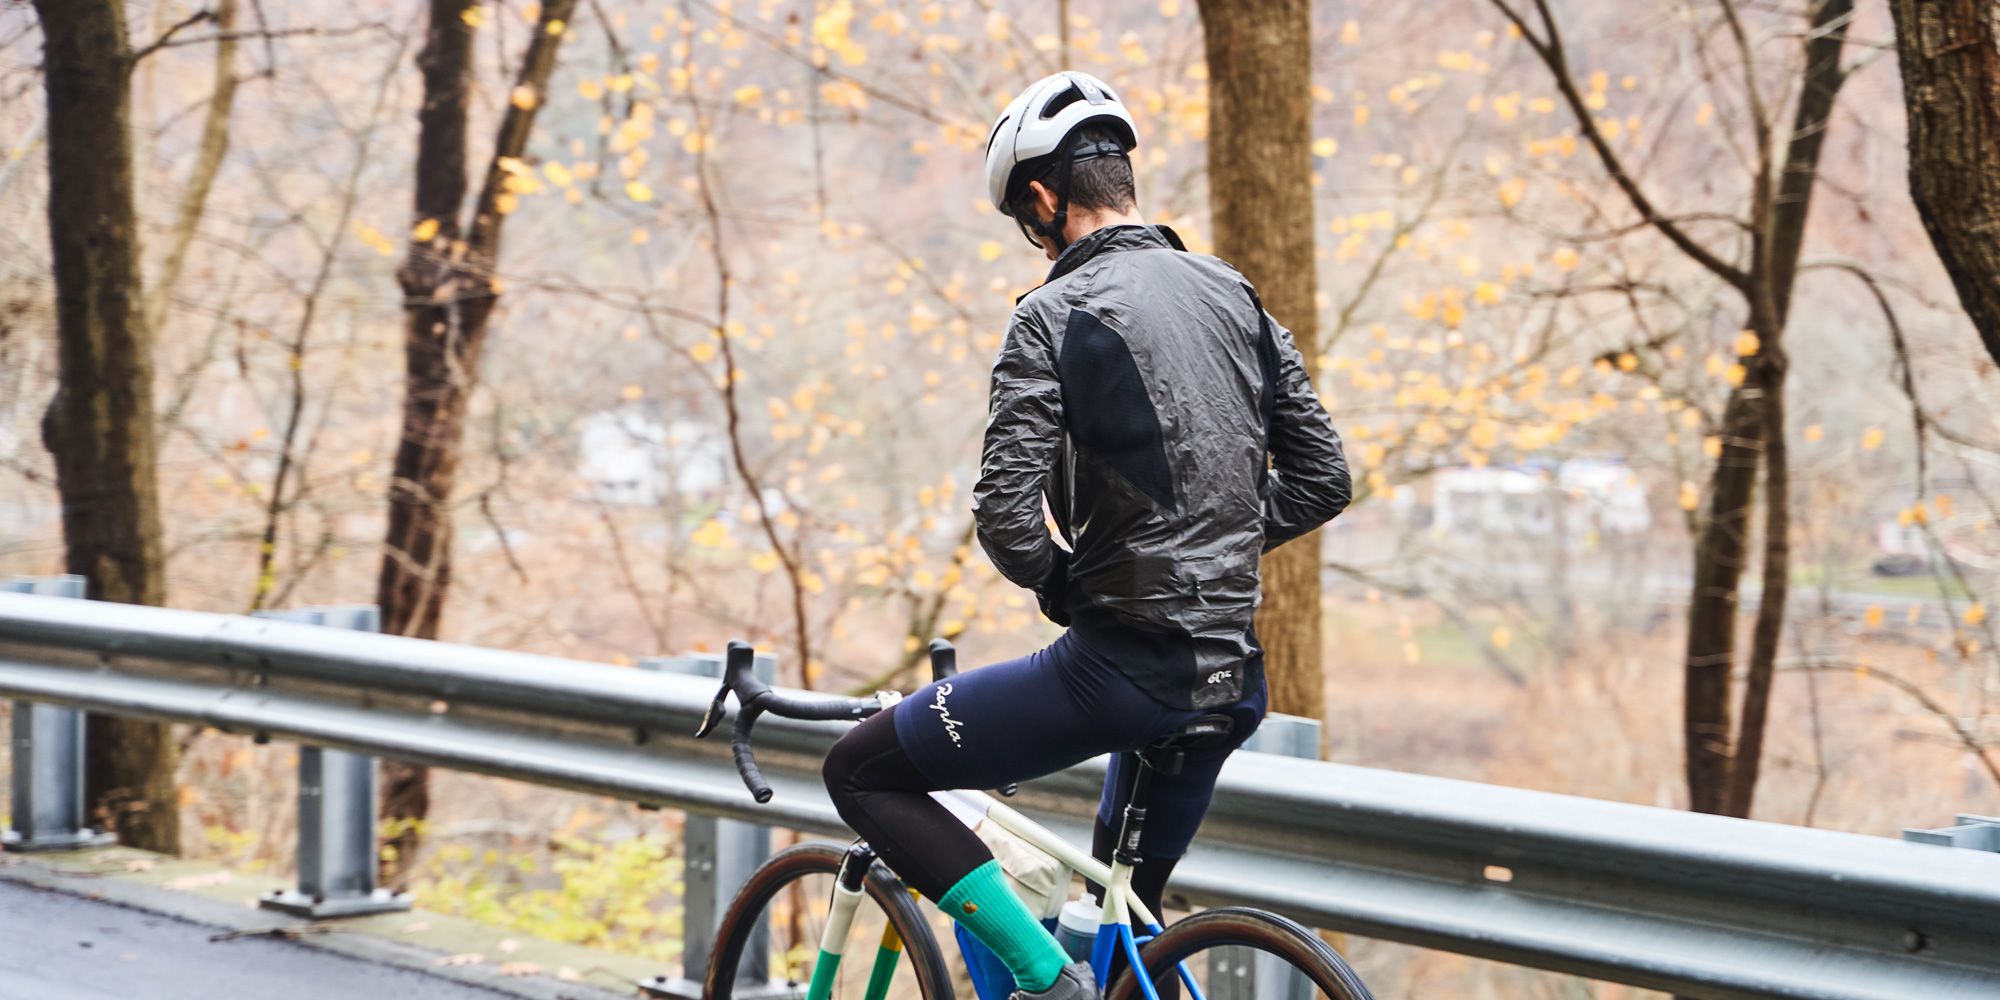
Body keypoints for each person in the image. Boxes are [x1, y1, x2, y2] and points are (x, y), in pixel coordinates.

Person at [822, 70, 1351, 1000]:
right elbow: (1322, 479)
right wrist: (1210, 546)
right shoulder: (1235, 293)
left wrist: (1078, 581)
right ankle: (1092, 981)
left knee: (860, 772)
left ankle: (1041, 981)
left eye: (1025, 223)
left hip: (1119, 674)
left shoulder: (1051, 314)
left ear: (1043, 198)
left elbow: (1006, 517)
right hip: (1230, 679)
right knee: (1122, 938)